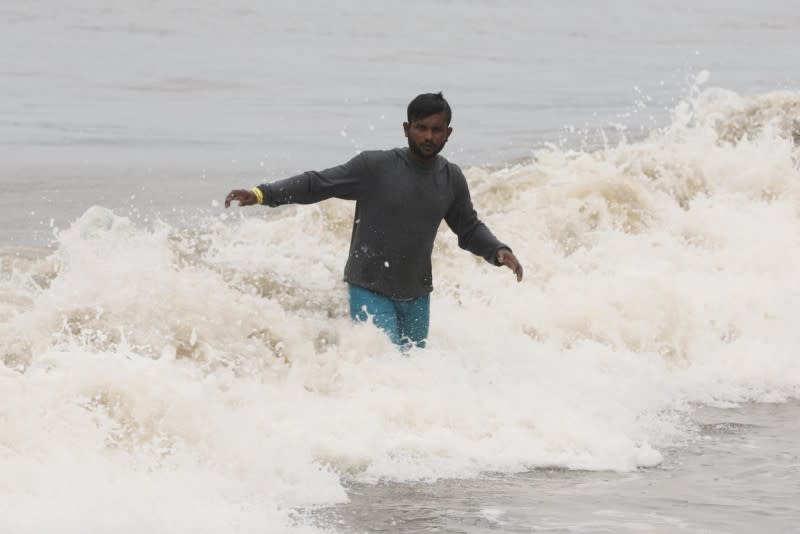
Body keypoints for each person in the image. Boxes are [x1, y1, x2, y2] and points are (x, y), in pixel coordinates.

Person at [225, 92, 522, 350]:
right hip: (369, 287)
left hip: (417, 295)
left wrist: (497, 251)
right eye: (421, 128)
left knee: (412, 371)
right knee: (385, 365)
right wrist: (263, 194)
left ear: (449, 133)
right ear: (406, 129)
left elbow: (468, 228)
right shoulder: (375, 167)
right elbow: (318, 184)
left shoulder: (450, 178)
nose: (429, 137)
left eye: (436, 129)